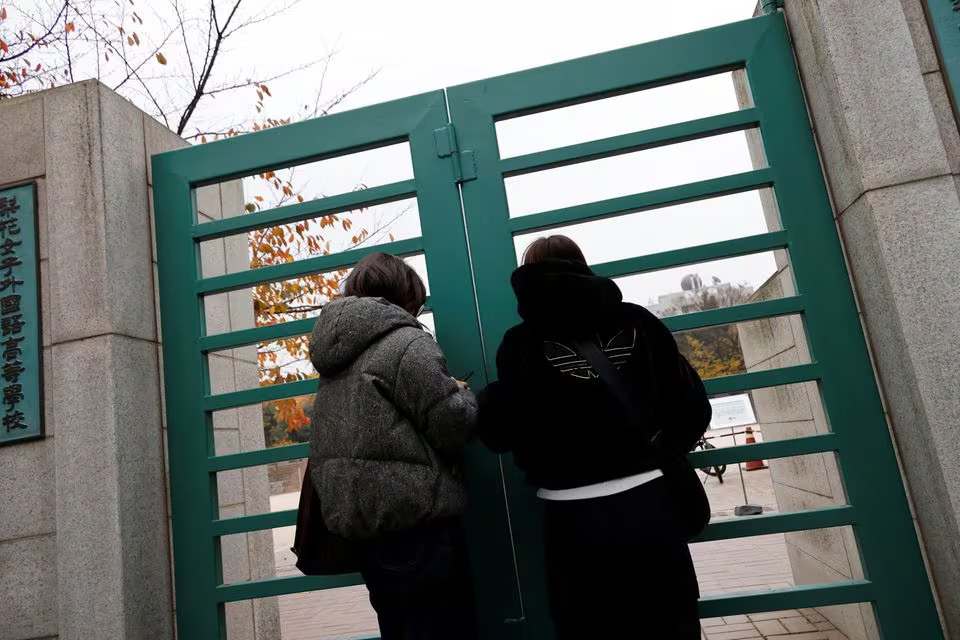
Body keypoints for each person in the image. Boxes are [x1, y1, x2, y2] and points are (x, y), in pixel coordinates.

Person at [478, 235, 711, 639]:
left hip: (571, 519)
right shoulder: (638, 322)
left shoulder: (518, 345)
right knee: (670, 624)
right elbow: (693, 407)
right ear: (583, 266)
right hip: (650, 504)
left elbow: (500, 435)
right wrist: (657, 451)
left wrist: (489, 400)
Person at [308, 252, 478, 640]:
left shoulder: (336, 352)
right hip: (415, 526)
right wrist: (466, 396)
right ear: (407, 294)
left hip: (370, 533)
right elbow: (453, 424)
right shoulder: (406, 343)